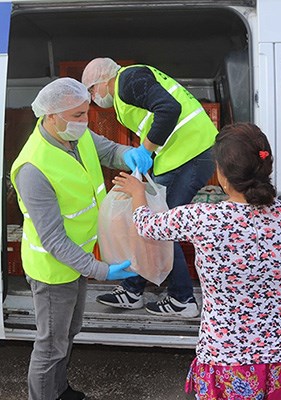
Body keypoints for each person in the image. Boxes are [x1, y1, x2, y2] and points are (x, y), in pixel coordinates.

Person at [111, 123, 281, 399]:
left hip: (225, 358)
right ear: (266, 168)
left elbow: (147, 226)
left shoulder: (203, 218)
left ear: (222, 175)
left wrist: (138, 193)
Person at [10, 77, 143, 400]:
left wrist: (130, 154)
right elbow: (54, 240)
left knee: (68, 333)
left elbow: (107, 149)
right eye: (78, 115)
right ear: (51, 116)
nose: (85, 121)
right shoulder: (33, 168)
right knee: (50, 345)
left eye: (86, 113)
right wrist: (102, 271)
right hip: (53, 270)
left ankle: (60, 390)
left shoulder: (75, 137)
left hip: (76, 260)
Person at [82, 57, 218, 318]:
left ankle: (182, 299)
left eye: (91, 91)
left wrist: (146, 150)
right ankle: (133, 289)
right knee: (147, 220)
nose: (92, 98)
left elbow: (169, 109)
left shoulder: (127, 82)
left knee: (160, 225)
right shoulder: (128, 86)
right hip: (181, 156)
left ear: (101, 81)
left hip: (190, 155)